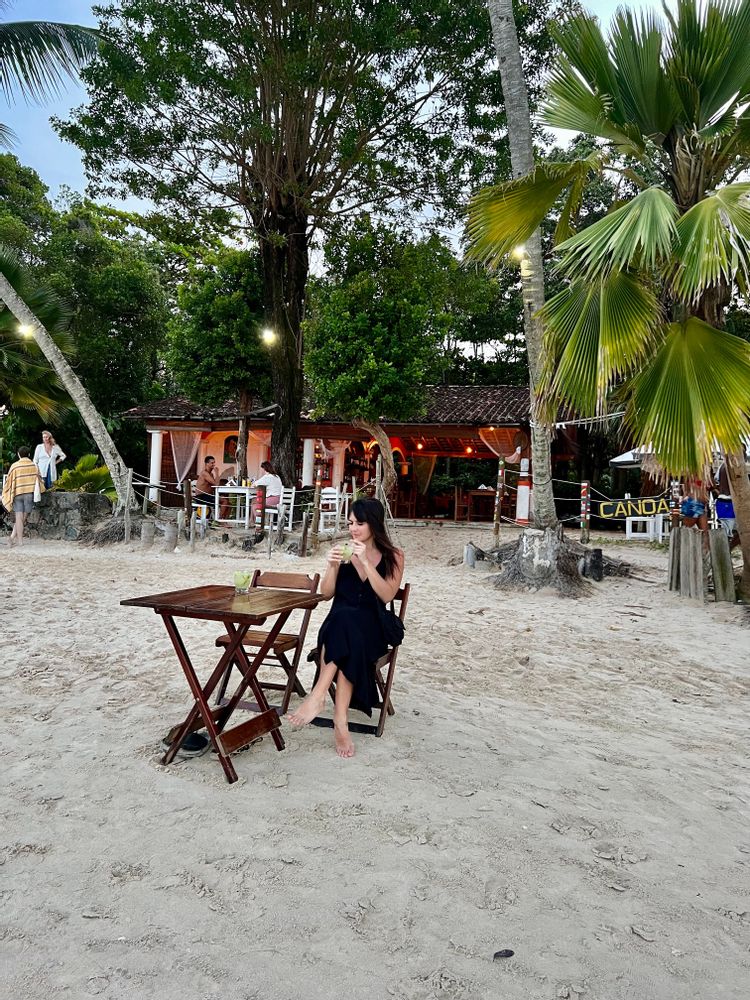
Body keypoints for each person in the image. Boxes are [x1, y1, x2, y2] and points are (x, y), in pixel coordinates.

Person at [287, 497, 405, 758]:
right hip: (339, 628)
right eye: (350, 523)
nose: (353, 529)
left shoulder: (394, 556)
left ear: (374, 523)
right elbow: (326, 594)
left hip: (371, 629)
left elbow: (386, 595)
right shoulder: (344, 552)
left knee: (347, 625)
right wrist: (331, 566)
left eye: (359, 523)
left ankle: (318, 695)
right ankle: (340, 721)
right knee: (343, 622)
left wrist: (363, 563)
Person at [2, 446, 44, 547]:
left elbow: (8, 482)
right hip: (29, 494)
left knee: (19, 517)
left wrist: (4, 493)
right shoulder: (34, 466)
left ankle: (17, 540)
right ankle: (13, 538)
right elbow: (40, 480)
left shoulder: (15, 466)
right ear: (29, 455)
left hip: (17, 494)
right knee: (23, 518)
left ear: (18, 454)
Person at [251, 459, 283, 524]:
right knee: (253, 501)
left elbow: (254, 484)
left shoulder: (267, 477)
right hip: (279, 499)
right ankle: (252, 521)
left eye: (262, 469)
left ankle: (259, 523)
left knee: (255, 506)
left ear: (265, 469)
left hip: (273, 499)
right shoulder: (277, 476)